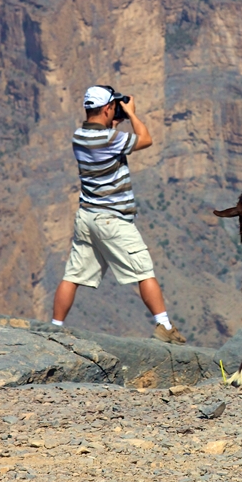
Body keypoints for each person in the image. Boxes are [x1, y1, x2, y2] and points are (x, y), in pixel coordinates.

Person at [51, 85, 186, 344]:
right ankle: (165, 326)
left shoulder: (79, 136)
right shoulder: (108, 139)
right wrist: (133, 115)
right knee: (144, 271)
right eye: (114, 105)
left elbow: (104, 142)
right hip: (112, 219)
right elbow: (146, 140)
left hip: (87, 218)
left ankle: (55, 327)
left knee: (73, 275)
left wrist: (112, 122)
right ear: (107, 108)